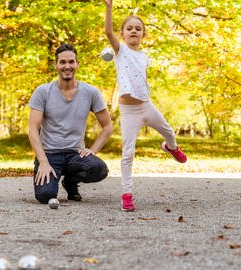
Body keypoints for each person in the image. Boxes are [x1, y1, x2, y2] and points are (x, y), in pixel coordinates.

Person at [103, 0, 187, 211]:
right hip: (129, 112)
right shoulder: (120, 51)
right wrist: (109, 8)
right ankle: (127, 194)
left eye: (138, 29)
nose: (134, 31)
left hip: (146, 106)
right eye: (129, 28)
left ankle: (171, 147)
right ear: (122, 34)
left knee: (169, 131)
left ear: (143, 35)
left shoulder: (145, 57)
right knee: (128, 152)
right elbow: (107, 32)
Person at [28, 44, 113, 205]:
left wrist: (92, 151)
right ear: (56, 65)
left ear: (77, 64)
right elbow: (33, 129)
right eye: (62, 62)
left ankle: (70, 182)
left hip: (75, 154)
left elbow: (107, 127)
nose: (67, 66)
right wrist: (43, 162)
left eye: (71, 62)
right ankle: (52, 177)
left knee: (99, 169)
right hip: (50, 155)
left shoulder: (91, 92)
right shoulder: (43, 92)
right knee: (46, 196)